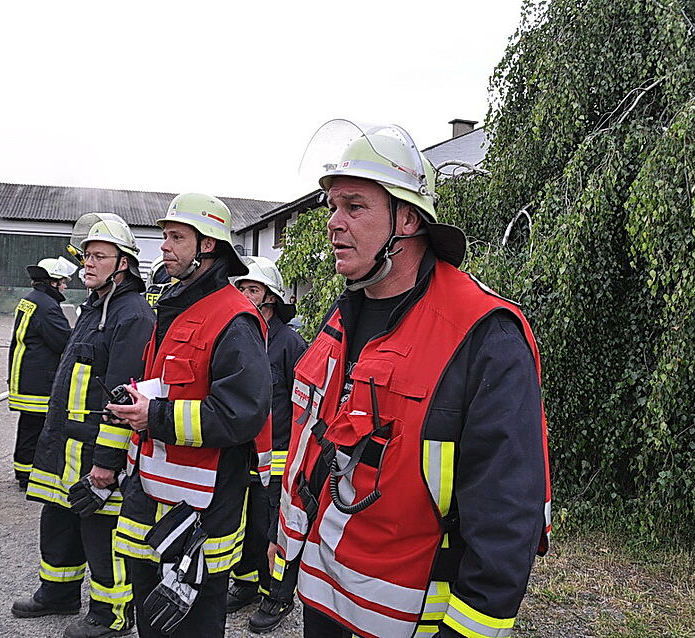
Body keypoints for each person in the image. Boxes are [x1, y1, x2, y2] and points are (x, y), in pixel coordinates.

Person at [274, 121, 551, 638]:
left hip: (410, 617)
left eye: (354, 207)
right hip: (324, 597)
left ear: (407, 218)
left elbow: (507, 514)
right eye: (332, 206)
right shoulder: (342, 318)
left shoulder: (484, 336)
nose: (333, 223)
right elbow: (312, 449)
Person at [109, 193, 272, 638]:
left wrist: (155, 415)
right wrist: (137, 404)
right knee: (152, 616)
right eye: (165, 236)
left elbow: (241, 415)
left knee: (193, 622)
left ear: (208, 245)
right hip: (153, 494)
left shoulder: (235, 318)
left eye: (176, 237)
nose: (164, 246)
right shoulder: (176, 307)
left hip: (202, 509)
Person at [12, 213, 155, 638]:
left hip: (95, 450)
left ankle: (111, 615)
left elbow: (124, 396)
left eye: (99, 256)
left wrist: (107, 463)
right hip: (66, 445)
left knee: (102, 531)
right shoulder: (96, 307)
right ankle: (57, 592)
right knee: (58, 519)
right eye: (86, 255)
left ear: (123, 263)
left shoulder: (132, 315)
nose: (87, 264)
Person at [228, 256, 308, 634]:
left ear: (271, 298)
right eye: (241, 289)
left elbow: (305, 404)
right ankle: (245, 583)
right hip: (242, 454)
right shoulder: (237, 337)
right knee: (243, 524)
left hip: (278, 457)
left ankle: (276, 595)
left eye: (253, 289)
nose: (245, 295)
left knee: (273, 528)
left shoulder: (290, 343)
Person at [7, 258, 75, 489]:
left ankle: (23, 471)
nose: (64, 286)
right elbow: (62, 341)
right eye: (62, 281)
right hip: (38, 379)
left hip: (25, 375)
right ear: (52, 282)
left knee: (28, 426)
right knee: (36, 428)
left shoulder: (31, 299)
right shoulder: (47, 306)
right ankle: (28, 475)